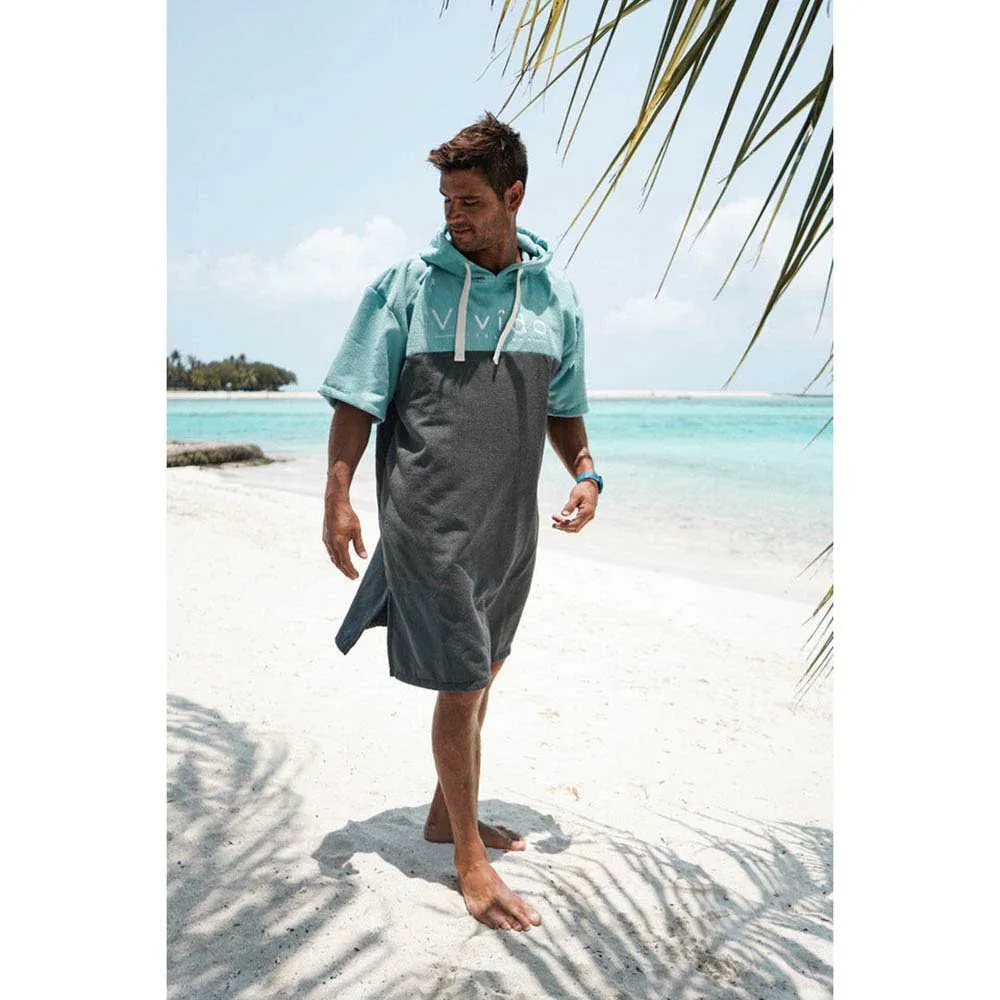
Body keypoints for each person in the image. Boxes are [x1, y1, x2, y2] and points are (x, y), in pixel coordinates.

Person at [319, 112, 603, 933]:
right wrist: (338, 495)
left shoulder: (555, 297)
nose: (454, 216)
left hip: (510, 523)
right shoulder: (406, 285)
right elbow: (356, 396)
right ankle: (470, 863)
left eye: (470, 200)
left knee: (490, 662)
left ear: (514, 196)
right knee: (464, 678)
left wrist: (586, 471)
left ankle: (449, 814)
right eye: (446, 201)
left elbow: (563, 404)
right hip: (428, 517)